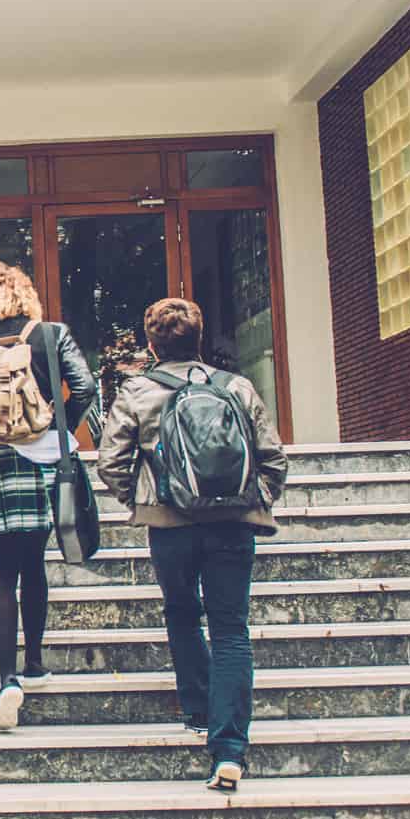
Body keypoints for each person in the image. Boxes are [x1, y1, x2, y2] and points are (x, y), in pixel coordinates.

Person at [96, 297, 288, 792]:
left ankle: (199, 709)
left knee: (181, 612)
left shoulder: (137, 392)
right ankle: (229, 750)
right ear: (199, 337)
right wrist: (253, 499)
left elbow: (111, 462)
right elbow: (273, 459)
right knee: (230, 630)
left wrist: (144, 499)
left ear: (153, 343)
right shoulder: (238, 388)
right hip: (233, 524)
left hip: (170, 527)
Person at [0, 261, 94, 731]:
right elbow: (87, 386)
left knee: (0, 572)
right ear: (24, 294)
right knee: (34, 563)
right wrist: (59, 428)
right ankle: (34, 662)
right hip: (44, 456)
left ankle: (7, 678)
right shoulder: (51, 334)